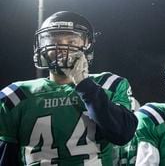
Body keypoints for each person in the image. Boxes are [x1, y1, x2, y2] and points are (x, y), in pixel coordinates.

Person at [0, 11, 137, 165]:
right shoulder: (16, 95)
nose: (61, 47)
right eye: (53, 40)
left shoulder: (109, 84)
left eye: (71, 41)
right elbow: (6, 158)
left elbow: (122, 134)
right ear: (41, 47)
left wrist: (84, 85)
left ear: (88, 46)